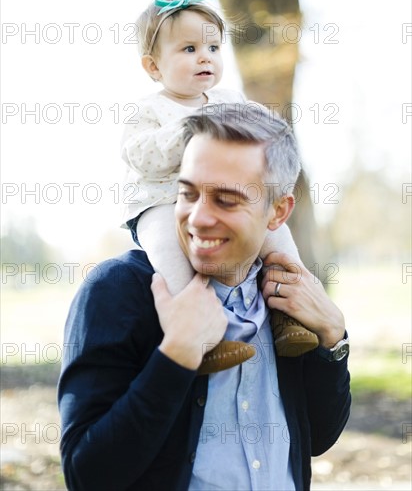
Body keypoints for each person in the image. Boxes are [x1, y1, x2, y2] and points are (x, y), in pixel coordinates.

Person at [58, 102, 351, 491]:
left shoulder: (289, 310)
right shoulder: (115, 293)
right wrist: (176, 357)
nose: (198, 217)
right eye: (188, 194)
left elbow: (317, 438)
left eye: (226, 200)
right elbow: (87, 475)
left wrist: (333, 338)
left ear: (278, 212)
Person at [121, 0, 318, 367]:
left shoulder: (231, 99)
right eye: (189, 49)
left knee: (278, 237)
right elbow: (138, 155)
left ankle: (288, 314)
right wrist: (188, 129)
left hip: (228, 199)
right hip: (161, 204)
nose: (204, 58)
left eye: (213, 48)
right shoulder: (150, 110)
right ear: (154, 66)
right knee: (172, 262)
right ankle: (204, 339)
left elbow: (263, 131)